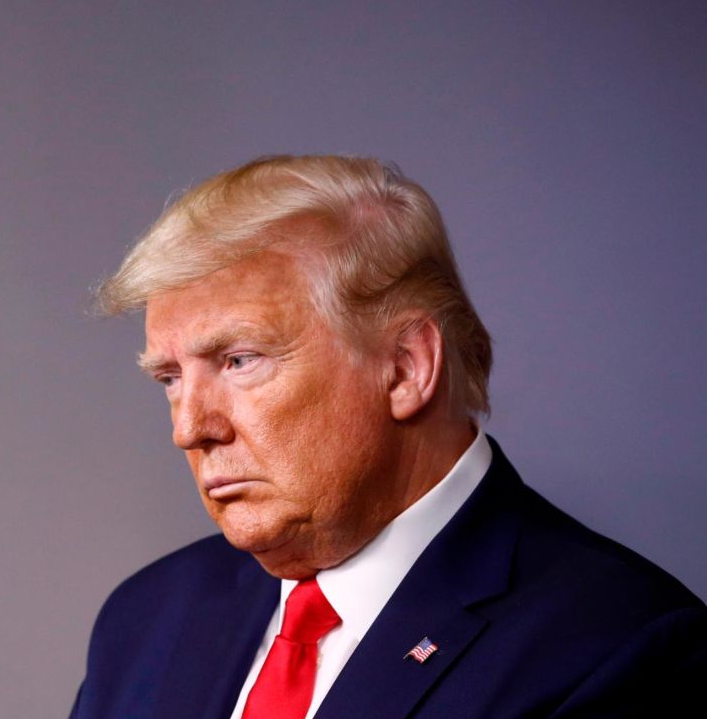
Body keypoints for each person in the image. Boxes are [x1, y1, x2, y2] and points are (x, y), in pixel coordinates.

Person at [69, 155, 706, 719]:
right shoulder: (145, 618)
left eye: (240, 360)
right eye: (171, 378)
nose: (190, 428)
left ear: (406, 368)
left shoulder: (625, 646)